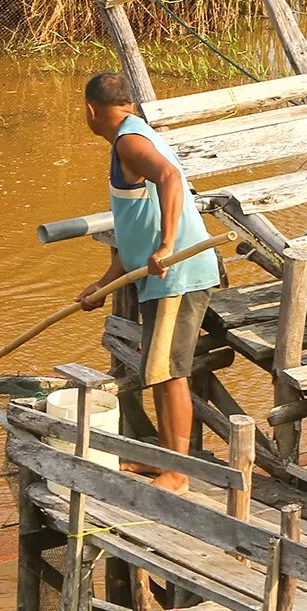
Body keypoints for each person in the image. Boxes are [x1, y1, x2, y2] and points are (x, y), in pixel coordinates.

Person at [76, 71, 218, 493]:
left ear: (91, 111)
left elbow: (170, 179)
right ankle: (162, 456)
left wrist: (167, 243)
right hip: (162, 273)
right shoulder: (133, 135)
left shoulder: (130, 142)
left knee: (169, 371)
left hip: (177, 274)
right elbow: (132, 225)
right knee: (156, 368)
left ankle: (177, 473)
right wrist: (103, 284)